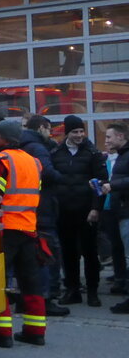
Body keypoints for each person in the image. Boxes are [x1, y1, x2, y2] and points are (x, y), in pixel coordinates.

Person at [0, 118, 47, 347]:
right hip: (29, 227)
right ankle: (35, 331)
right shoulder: (34, 162)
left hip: (5, 228)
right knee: (30, 280)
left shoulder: (2, 160)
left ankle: (1, 333)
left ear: (4, 138)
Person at [51, 115, 104, 306]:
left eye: (81, 131)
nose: (79, 135)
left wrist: (95, 208)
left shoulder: (92, 153)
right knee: (68, 254)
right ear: (67, 133)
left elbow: (101, 182)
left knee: (90, 253)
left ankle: (92, 292)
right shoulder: (56, 153)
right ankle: (72, 290)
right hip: (64, 212)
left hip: (86, 211)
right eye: (75, 132)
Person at [19, 116, 68, 317]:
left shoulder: (21, 146)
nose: (51, 133)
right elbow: (47, 173)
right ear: (41, 128)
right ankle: (45, 298)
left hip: (25, 211)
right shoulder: (38, 148)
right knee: (47, 256)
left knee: (29, 259)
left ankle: (27, 299)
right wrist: (64, 178)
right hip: (43, 208)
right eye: (49, 129)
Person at [99, 122, 128, 298]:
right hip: (118, 210)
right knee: (118, 248)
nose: (106, 140)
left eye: (109, 136)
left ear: (120, 136)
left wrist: (113, 185)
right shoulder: (122, 155)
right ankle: (122, 283)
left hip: (126, 210)